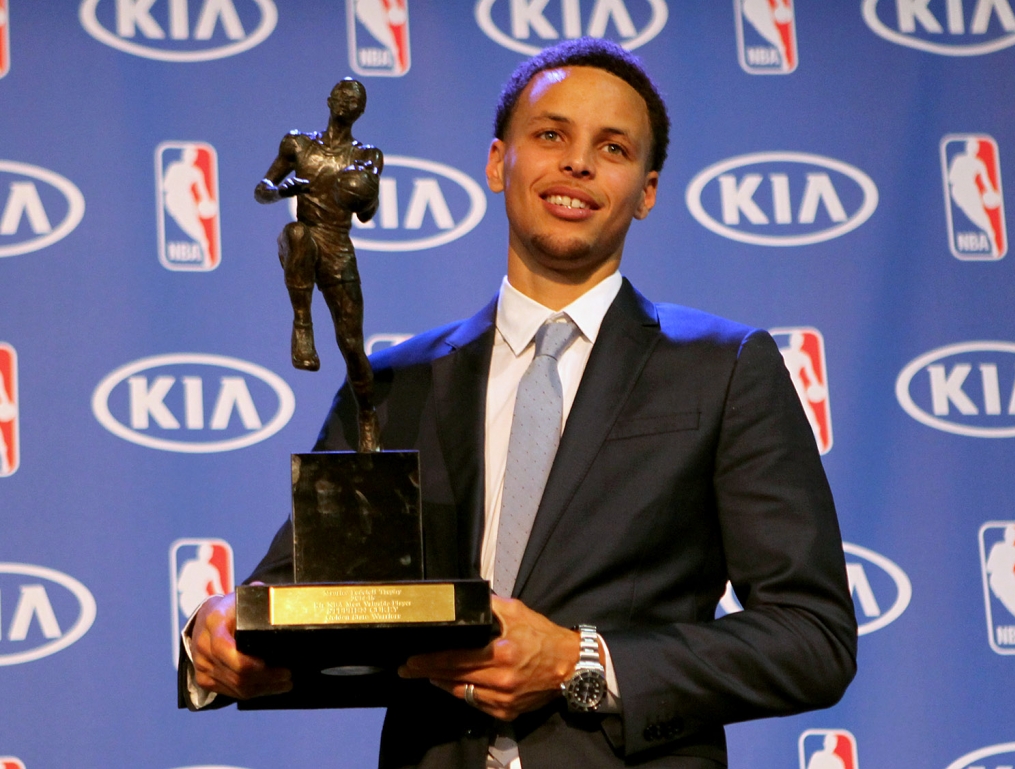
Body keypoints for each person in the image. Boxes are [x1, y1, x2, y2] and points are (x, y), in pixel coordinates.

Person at [183, 39, 857, 768]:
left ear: (648, 189)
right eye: (551, 135)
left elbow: (811, 636)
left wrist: (581, 660)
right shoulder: (391, 383)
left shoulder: (724, 370)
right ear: (499, 161)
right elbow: (298, 591)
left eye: (613, 147)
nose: (577, 163)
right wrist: (216, 634)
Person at [255, 77, 385, 452]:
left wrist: (366, 197)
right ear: (329, 100)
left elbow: (366, 215)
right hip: (306, 240)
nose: (347, 102)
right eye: (342, 95)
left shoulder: (367, 156)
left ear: (360, 111)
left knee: (351, 344)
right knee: (296, 233)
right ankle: (302, 326)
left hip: (338, 247)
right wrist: (283, 189)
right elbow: (262, 188)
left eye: (355, 99)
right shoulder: (298, 145)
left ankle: (366, 415)